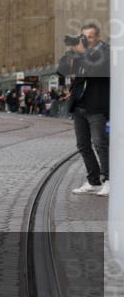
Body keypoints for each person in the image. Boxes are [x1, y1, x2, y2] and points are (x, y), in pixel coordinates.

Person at [59, 24, 111, 196]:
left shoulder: (106, 52)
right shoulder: (80, 54)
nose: (86, 40)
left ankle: (110, 180)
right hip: (80, 107)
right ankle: (93, 181)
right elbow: (62, 71)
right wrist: (70, 53)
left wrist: (83, 53)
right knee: (83, 145)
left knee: (100, 144)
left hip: (97, 107)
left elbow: (95, 70)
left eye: (89, 37)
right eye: (84, 37)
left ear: (97, 37)